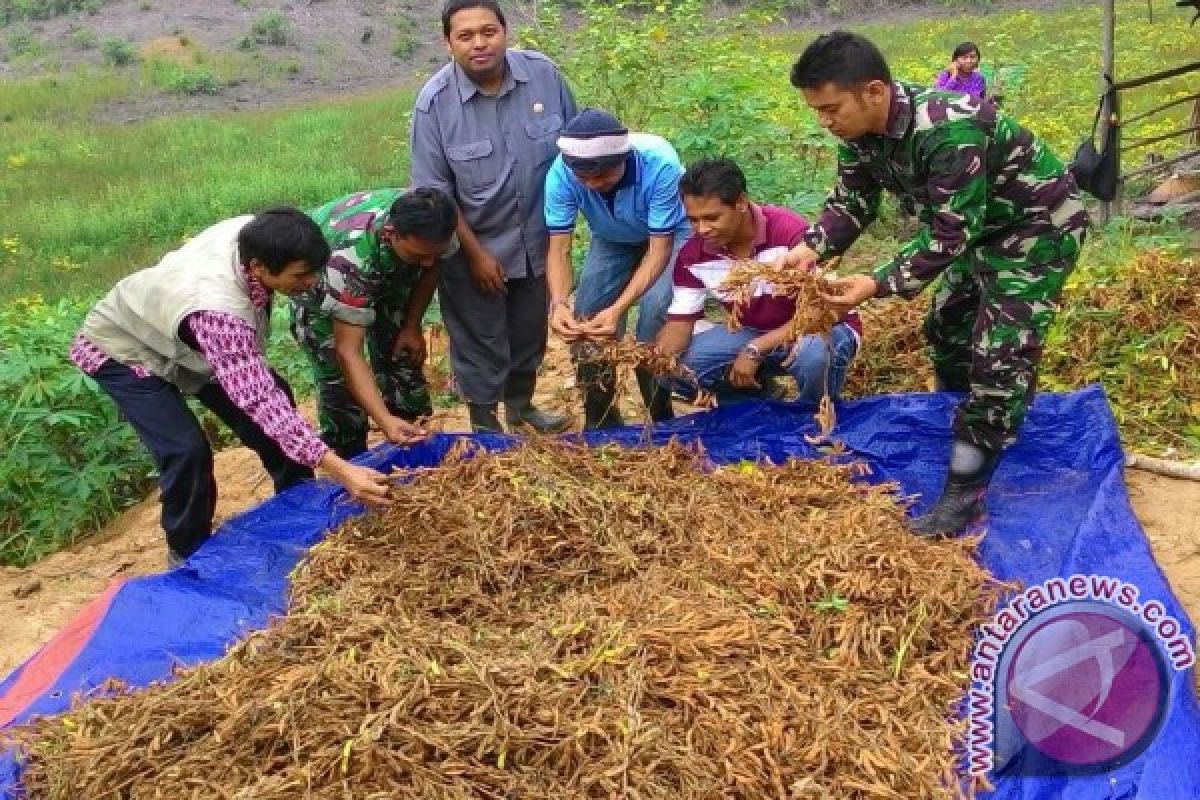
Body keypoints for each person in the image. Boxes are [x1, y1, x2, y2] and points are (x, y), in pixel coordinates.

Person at [780, 31, 1088, 537]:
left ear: (874, 91)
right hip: (980, 228)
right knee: (948, 327)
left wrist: (874, 283)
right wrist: (810, 248)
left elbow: (949, 233)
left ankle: (968, 485)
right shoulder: (860, 136)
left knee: (999, 350)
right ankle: (962, 412)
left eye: (831, 108)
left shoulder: (947, 129)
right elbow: (851, 203)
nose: (825, 121)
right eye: (817, 111)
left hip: (1036, 225)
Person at [68, 209, 393, 566]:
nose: (312, 282)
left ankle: (300, 505)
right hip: (124, 346)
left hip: (183, 336)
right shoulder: (220, 311)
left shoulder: (255, 233)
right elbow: (258, 400)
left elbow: (264, 396)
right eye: (301, 275)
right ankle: (187, 554)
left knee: (277, 396)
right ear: (258, 268)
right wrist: (343, 471)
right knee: (185, 450)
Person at [409, 0, 577, 433]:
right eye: (465, 36)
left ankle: (522, 410)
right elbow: (437, 195)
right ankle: (486, 426)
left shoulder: (544, 75)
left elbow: (574, 151)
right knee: (480, 344)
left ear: (505, 31)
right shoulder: (434, 105)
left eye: (489, 31)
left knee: (528, 336)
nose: (479, 44)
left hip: (538, 243)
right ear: (448, 43)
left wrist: (564, 237)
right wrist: (477, 255)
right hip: (472, 248)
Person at [655, 158, 860, 406]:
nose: (702, 229)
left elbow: (828, 309)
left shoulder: (790, 233)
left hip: (819, 327)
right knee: (679, 366)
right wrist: (660, 359)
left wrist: (756, 348)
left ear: (741, 203)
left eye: (712, 218)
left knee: (813, 355)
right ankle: (758, 404)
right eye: (693, 220)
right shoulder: (693, 255)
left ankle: (817, 417)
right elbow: (681, 322)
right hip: (753, 332)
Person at [545, 108, 690, 428]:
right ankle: (602, 418)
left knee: (654, 313)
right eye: (585, 179)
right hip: (612, 234)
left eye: (604, 176)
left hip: (673, 234)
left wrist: (620, 307)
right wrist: (557, 304)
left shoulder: (659, 164)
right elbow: (559, 248)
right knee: (587, 314)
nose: (594, 185)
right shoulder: (560, 174)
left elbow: (658, 250)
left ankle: (661, 416)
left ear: (623, 159)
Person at [290, 188, 457, 459]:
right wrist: (382, 419)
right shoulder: (348, 261)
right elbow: (349, 352)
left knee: (402, 355)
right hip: (322, 289)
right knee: (338, 379)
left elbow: (432, 267)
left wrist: (412, 325)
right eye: (418, 256)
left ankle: (412, 439)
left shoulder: (436, 222)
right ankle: (351, 456)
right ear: (391, 234)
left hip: (389, 272)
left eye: (434, 253)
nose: (427, 262)